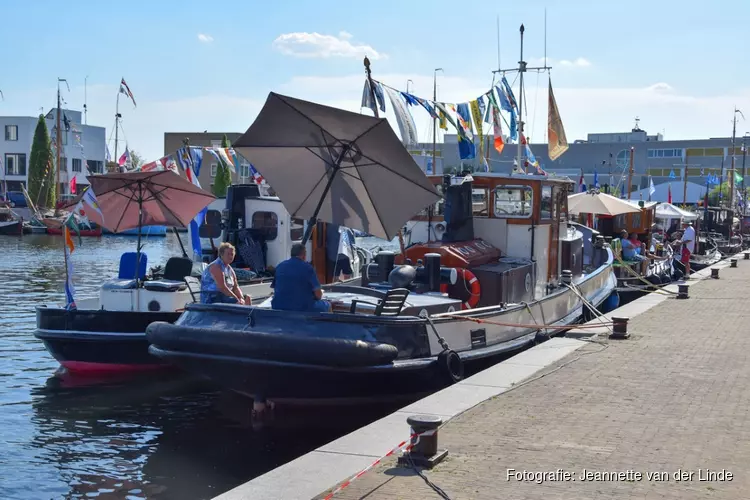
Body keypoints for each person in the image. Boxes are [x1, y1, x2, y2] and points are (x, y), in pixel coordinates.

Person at [271, 243, 331, 312]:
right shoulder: (308, 268)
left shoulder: (280, 266)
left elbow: (275, 288)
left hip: (278, 306)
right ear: (304, 255)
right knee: (328, 305)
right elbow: (318, 295)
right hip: (303, 307)